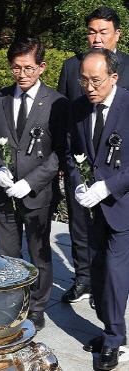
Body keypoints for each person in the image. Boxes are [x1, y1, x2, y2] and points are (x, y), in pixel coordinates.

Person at [0, 37, 69, 331]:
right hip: (4, 192)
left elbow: (60, 153)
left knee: (39, 253)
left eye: (29, 68)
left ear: (41, 67)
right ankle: (12, 301)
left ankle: (38, 306)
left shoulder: (57, 103)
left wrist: (31, 182)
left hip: (38, 193)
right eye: (16, 68)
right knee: (7, 254)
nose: (22, 74)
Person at [57, 6, 129, 306]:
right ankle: (83, 278)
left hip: (120, 169)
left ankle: (116, 285)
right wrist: (65, 162)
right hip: (84, 160)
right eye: (92, 31)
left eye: (103, 31)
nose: (96, 37)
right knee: (80, 223)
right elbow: (63, 114)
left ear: (117, 34)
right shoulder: (72, 65)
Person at [67, 48, 129, 371]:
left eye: (96, 81)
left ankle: (115, 341)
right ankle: (110, 330)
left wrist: (108, 186)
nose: (89, 87)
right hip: (93, 209)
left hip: (123, 207)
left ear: (114, 77)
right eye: (84, 80)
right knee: (99, 274)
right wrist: (79, 183)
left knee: (117, 277)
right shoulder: (79, 108)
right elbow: (73, 154)